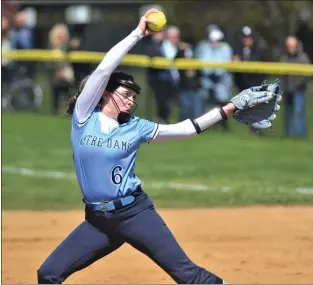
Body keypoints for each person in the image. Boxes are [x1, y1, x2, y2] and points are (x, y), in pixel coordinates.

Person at [37, 9, 275, 284]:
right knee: (48, 273)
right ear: (104, 94)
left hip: (134, 214)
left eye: (134, 97)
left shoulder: (136, 126)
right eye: (125, 94)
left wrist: (229, 109)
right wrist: (138, 33)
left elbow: (186, 129)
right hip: (97, 221)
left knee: (187, 274)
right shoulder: (84, 117)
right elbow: (105, 68)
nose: (130, 101)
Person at [280, 35, 310, 138]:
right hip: (287, 90)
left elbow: (306, 75)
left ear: (296, 46)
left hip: (299, 89)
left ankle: (302, 135)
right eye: (289, 46)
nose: (291, 48)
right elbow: (281, 74)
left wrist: (297, 85)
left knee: (299, 112)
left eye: (292, 46)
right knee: (288, 113)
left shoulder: (303, 57)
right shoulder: (284, 57)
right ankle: (289, 134)